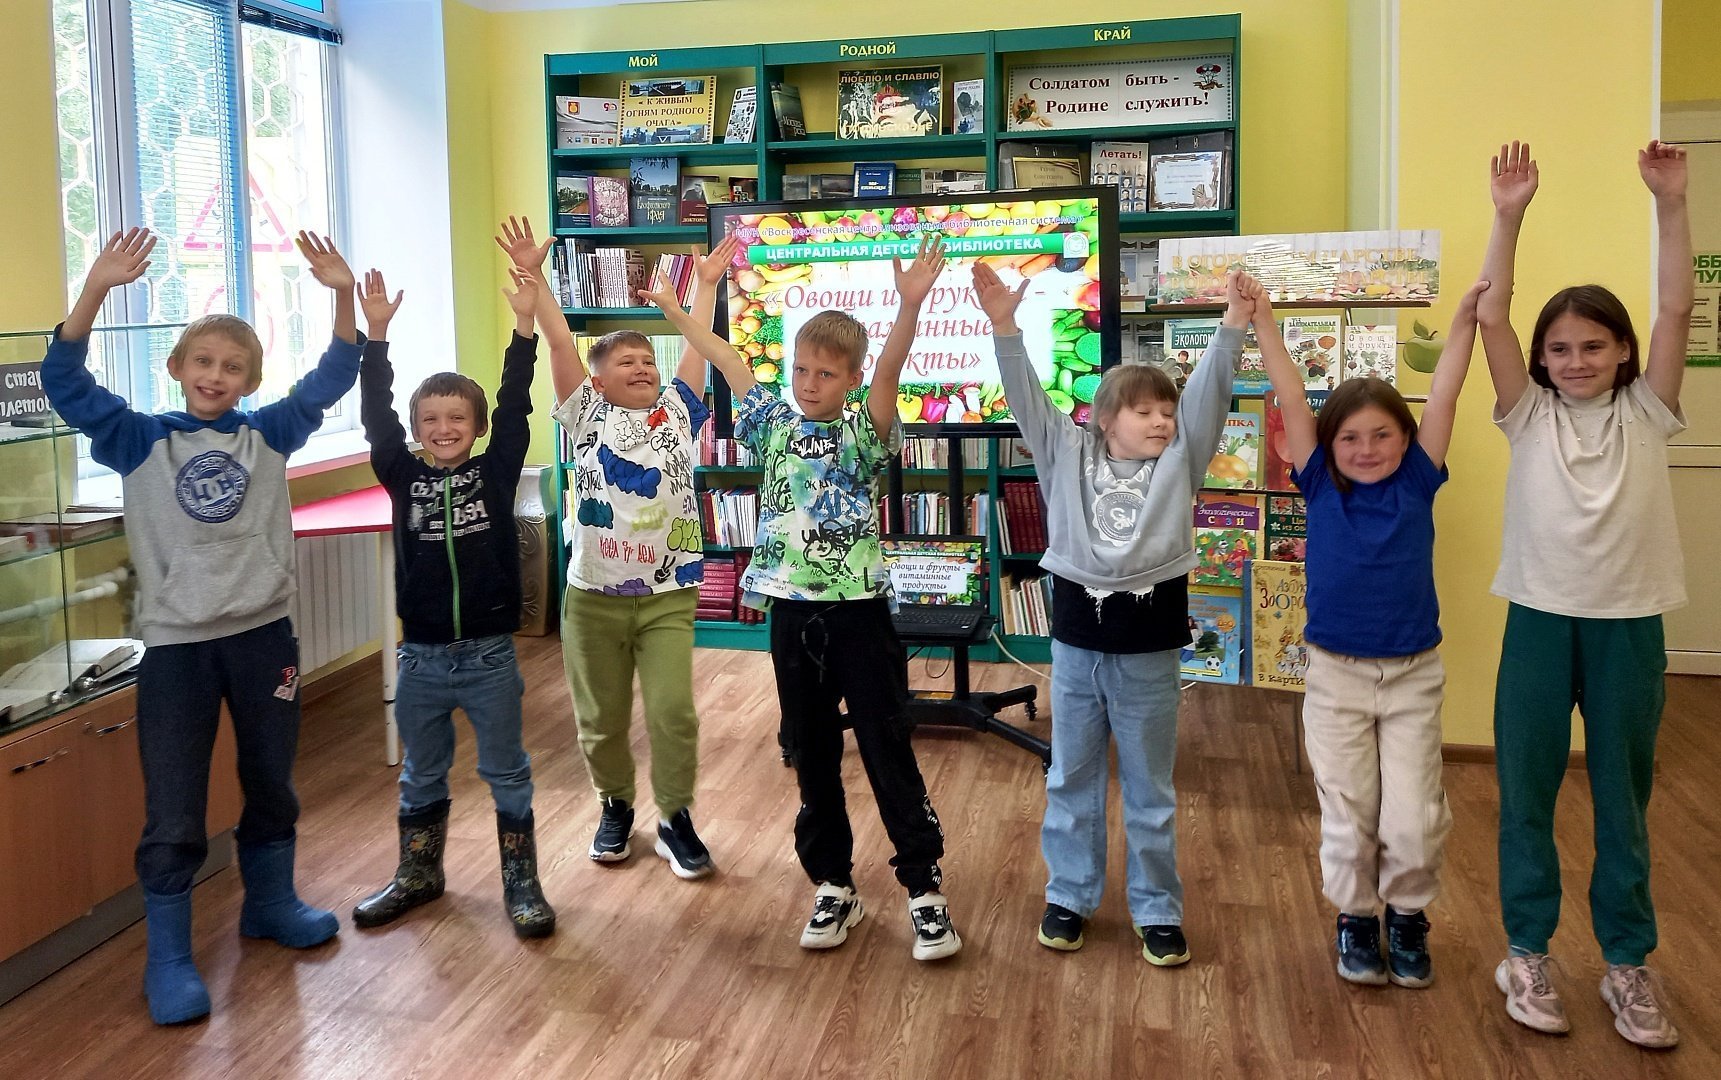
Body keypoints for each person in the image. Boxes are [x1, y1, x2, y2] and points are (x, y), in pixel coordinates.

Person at [41, 227, 361, 1025]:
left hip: (264, 638)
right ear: (177, 367)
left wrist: (342, 296)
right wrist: (96, 287)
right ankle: (171, 958)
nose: (217, 376)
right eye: (204, 362)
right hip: (178, 651)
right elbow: (64, 381)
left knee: (271, 780)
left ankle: (270, 903)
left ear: (250, 379)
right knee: (176, 805)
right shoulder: (137, 439)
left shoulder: (267, 435)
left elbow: (334, 374)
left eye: (234, 366)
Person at [643, 235, 964, 961]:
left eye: (825, 373)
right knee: (811, 753)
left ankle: (923, 889)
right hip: (792, 615)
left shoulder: (862, 431)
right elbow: (726, 357)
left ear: (848, 379)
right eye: (801, 369)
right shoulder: (771, 423)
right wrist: (677, 310)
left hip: (859, 616)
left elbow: (890, 369)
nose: (809, 383)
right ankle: (833, 884)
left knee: (885, 746)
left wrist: (909, 307)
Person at [1479, 140, 1692, 1050]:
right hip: (1537, 620)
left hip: (1627, 630)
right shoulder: (1525, 414)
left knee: (1621, 802)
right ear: (1540, 359)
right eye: (1559, 348)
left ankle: (1626, 964)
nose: (1574, 360)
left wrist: (1669, 203)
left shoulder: (1649, 411)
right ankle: (1525, 954)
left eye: (1592, 346)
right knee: (1525, 795)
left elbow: (1677, 305)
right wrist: (1507, 216)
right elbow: (1491, 315)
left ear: (1622, 351)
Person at [974, 261, 1247, 967]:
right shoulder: (1065, 452)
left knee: (1150, 788)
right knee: (1071, 776)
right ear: (1104, 418)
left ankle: (1157, 909)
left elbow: (1210, 394)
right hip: (1076, 648)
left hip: (1149, 653)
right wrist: (1004, 326)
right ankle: (1069, 895)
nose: (1161, 421)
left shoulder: (1180, 460)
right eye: (1144, 411)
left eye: (1166, 411)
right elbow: (1027, 400)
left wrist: (1232, 326)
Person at [1255, 270, 1488, 988]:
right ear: (1327, 446)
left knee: (1414, 816)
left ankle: (1407, 915)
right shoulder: (1318, 482)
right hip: (1335, 676)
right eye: (1350, 437)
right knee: (1348, 810)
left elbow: (1444, 393)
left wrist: (1463, 322)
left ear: (1406, 438)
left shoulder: (1417, 477)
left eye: (1382, 434)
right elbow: (1292, 394)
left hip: (1413, 675)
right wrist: (1263, 319)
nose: (1365, 447)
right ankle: (1356, 917)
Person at [498, 217, 731, 879]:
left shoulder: (677, 410)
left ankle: (675, 817)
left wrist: (705, 289)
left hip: (668, 594)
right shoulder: (586, 413)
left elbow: (697, 347)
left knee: (671, 712)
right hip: (593, 595)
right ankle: (615, 804)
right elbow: (558, 340)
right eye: (625, 362)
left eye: (647, 361)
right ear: (596, 383)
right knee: (599, 717)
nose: (641, 368)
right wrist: (536, 277)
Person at [350, 261, 554, 937]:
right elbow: (376, 418)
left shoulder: (495, 472)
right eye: (430, 419)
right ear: (416, 427)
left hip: (490, 658)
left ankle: (522, 882)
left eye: (457, 417)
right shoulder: (401, 474)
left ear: (477, 425)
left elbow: (517, 403)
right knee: (420, 772)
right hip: (422, 660)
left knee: (506, 771)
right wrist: (376, 337)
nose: (443, 427)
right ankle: (418, 873)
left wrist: (522, 325)